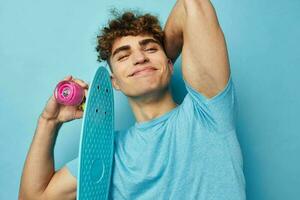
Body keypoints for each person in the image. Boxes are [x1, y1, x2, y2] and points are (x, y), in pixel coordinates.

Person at [19, 0, 246, 199]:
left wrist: (159, 64)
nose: (139, 57)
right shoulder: (107, 151)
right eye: (124, 56)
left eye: (150, 48)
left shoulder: (208, 112)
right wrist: (48, 122)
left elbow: (192, 4)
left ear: (170, 63)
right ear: (114, 82)